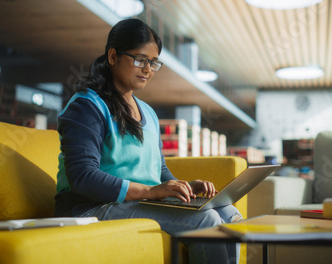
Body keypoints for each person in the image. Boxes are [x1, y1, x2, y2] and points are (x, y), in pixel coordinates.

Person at [55, 18, 241, 264]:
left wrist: (181, 187)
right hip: (91, 207)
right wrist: (151, 192)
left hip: (140, 200)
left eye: (153, 63)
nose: (148, 70)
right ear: (113, 56)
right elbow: (83, 176)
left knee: (229, 213)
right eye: (140, 60)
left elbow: (158, 169)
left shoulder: (148, 113)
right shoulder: (86, 105)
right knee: (205, 221)